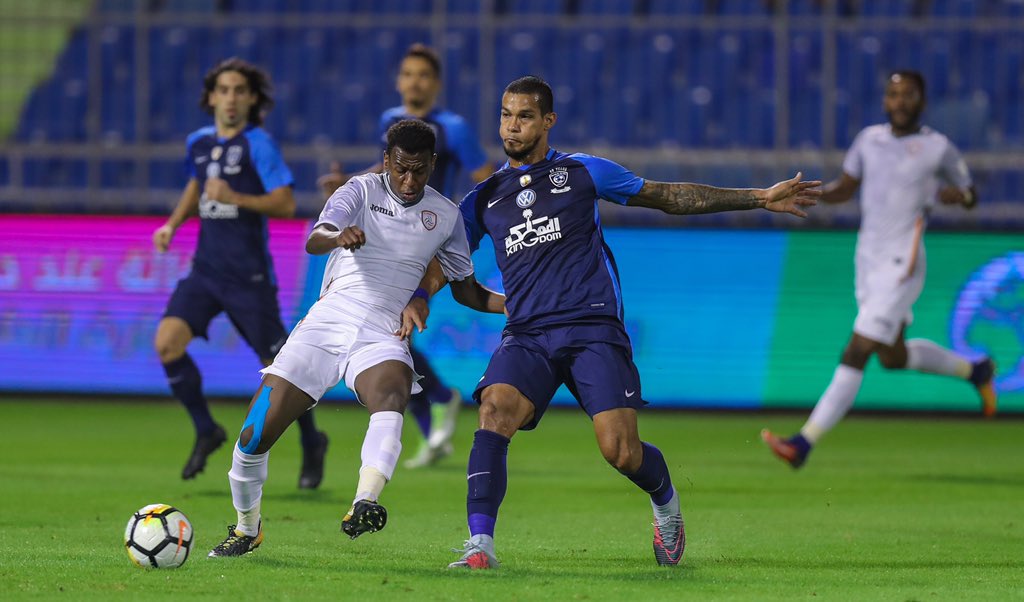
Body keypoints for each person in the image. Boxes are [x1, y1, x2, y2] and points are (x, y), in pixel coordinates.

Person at [403, 76, 820, 569]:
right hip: (528, 335)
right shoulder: (482, 199)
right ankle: (480, 546)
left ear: (547, 121)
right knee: (494, 410)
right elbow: (446, 269)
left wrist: (757, 197)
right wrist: (422, 297)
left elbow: (667, 195)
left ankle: (666, 504)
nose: (511, 127)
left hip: (592, 328)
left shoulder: (583, 172)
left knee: (620, 451)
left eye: (524, 116)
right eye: (505, 115)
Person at [208, 119, 505, 558]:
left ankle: (365, 501)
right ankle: (247, 528)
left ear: (433, 165)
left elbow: (466, 289)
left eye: (419, 171)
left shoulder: (444, 215)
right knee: (253, 436)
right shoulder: (360, 191)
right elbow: (315, 238)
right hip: (327, 322)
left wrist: (515, 303)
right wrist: (337, 236)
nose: (409, 180)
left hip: (383, 331)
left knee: (392, 394)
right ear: (386, 160)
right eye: (401, 168)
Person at [761, 70, 996, 470]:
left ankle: (803, 442)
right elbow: (846, 188)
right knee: (892, 356)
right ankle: (975, 370)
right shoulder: (869, 140)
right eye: (893, 94)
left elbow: (970, 191)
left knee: (858, 348)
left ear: (921, 101)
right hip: (868, 261)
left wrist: (963, 196)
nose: (899, 101)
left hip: (902, 265)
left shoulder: (937, 147)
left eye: (908, 94)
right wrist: (811, 193)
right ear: (885, 100)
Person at [152, 58, 329, 488]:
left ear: (252, 99)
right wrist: (173, 224)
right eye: (224, 90)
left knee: (282, 369)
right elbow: (198, 184)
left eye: (239, 91)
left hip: (249, 278)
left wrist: (236, 196)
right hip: (206, 272)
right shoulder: (198, 142)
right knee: (167, 344)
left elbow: (285, 203)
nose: (231, 99)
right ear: (211, 97)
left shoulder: (259, 145)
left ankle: (312, 440)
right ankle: (206, 429)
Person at [317, 43, 495, 470]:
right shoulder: (389, 121)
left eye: (423, 75)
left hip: (432, 238)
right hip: (392, 237)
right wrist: (349, 185)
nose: (415, 81)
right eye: (408, 74)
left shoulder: (453, 128)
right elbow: (387, 171)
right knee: (393, 332)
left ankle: (434, 400)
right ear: (399, 81)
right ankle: (432, 408)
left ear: (435, 84)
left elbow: (484, 179)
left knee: (392, 330)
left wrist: (462, 225)